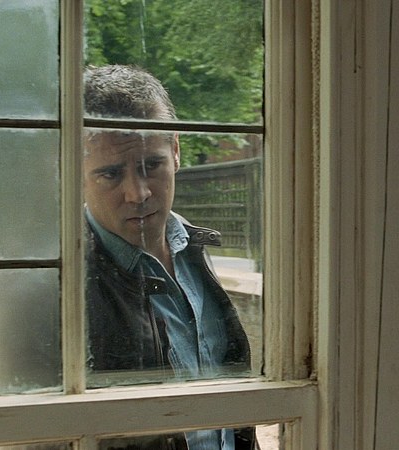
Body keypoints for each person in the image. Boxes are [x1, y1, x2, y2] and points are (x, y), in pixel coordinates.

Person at [83, 65, 257, 450]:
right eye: (110, 175)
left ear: (175, 151)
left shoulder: (193, 249)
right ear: (75, 171)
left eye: (151, 166)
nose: (138, 193)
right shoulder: (56, 287)